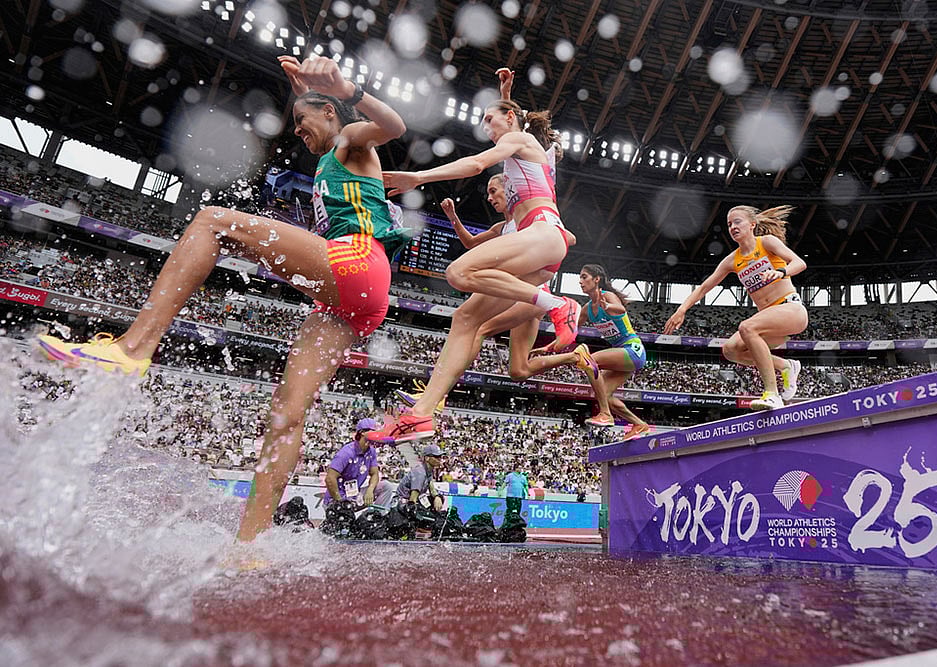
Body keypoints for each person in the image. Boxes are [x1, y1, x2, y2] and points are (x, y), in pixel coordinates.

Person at [38, 55, 409, 541]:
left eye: (303, 119)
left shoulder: (348, 138)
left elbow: (394, 125)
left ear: (331, 114)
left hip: (358, 262)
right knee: (286, 413)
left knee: (213, 219)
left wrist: (346, 89)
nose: (297, 129)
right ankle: (250, 544)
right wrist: (309, 95)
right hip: (349, 301)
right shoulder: (330, 162)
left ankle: (131, 348)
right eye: (294, 122)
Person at [370, 68, 580, 444]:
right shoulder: (527, 150)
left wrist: (417, 179)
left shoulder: (518, 139)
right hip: (539, 247)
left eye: (489, 119)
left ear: (511, 119)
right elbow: (511, 130)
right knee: (466, 318)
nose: (485, 127)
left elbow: (475, 164)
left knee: (458, 272)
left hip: (543, 233)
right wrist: (505, 93)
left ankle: (557, 304)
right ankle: (421, 414)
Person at [396, 175, 588, 410]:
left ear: (511, 191)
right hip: (514, 294)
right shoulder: (501, 227)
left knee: (477, 328)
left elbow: (568, 238)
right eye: (488, 193)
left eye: (494, 191)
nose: (489, 198)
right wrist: (453, 218)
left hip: (530, 291)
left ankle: (436, 396)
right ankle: (575, 356)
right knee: (519, 370)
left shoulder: (530, 221)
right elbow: (469, 243)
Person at [663, 205, 807, 410]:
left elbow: (799, 263)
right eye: (729, 224)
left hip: (791, 309)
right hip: (769, 322)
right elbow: (705, 287)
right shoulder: (732, 260)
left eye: (737, 222)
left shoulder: (766, 243)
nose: (732, 227)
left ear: (752, 224)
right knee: (731, 351)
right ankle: (786, 366)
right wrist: (682, 309)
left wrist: (781, 272)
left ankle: (772, 394)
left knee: (747, 327)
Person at [547, 264, 652, 439]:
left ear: (597, 279)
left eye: (584, 277)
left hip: (633, 349)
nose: (580, 282)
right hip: (621, 354)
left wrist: (608, 307)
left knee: (589, 360)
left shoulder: (607, 296)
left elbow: (621, 309)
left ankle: (605, 414)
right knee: (604, 393)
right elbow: (570, 333)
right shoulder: (587, 309)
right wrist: (550, 345)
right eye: (579, 278)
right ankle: (639, 424)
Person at [322, 418, 395, 509]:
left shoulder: (371, 451)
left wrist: (370, 489)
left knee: (386, 487)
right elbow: (329, 478)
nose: (377, 435)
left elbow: (375, 474)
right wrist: (340, 501)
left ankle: (375, 517)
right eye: (373, 431)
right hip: (336, 500)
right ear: (362, 432)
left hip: (355, 496)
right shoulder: (347, 452)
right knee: (344, 519)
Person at [394, 443, 446, 511]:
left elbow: (432, 490)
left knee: (439, 498)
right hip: (400, 504)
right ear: (427, 458)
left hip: (408, 502)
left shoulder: (428, 471)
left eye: (440, 456)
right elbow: (412, 500)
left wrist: (437, 497)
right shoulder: (420, 473)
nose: (439, 459)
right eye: (436, 456)